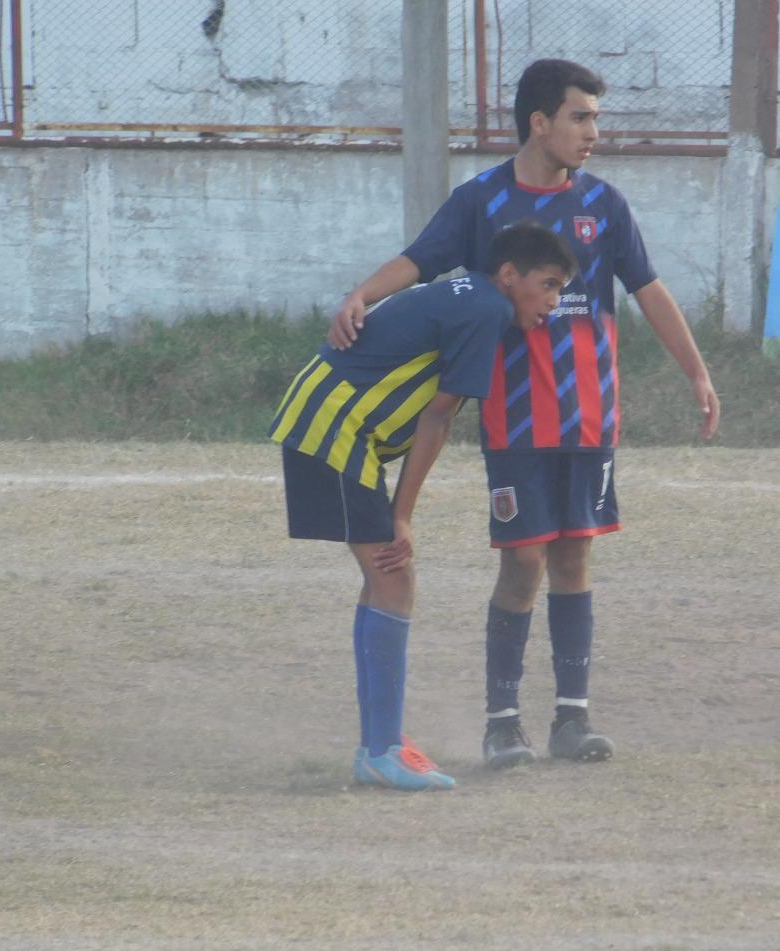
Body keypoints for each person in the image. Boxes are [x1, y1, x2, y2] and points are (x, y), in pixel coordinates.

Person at [328, 59, 721, 771]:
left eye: (595, 118)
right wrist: (363, 294)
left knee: (574, 555)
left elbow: (648, 288)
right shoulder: (481, 201)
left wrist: (696, 370)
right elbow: (420, 259)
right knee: (524, 560)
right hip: (515, 420)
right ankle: (502, 723)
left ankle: (573, 717)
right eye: (580, 117)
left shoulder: (604, 204)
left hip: (590, 418)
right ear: (539, 122)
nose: (593, 132)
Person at [272, 221, 576, 791]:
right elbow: (436, 417)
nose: (555, 302)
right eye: (549, 285)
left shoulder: (471, 294)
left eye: (561, 289)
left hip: (330, 417)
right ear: (509, 275)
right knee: (394, 576)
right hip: (334, 425)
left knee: (384, 580)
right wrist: (402, 516)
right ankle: (381, 750)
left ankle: (379, 743)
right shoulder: (487, 310)